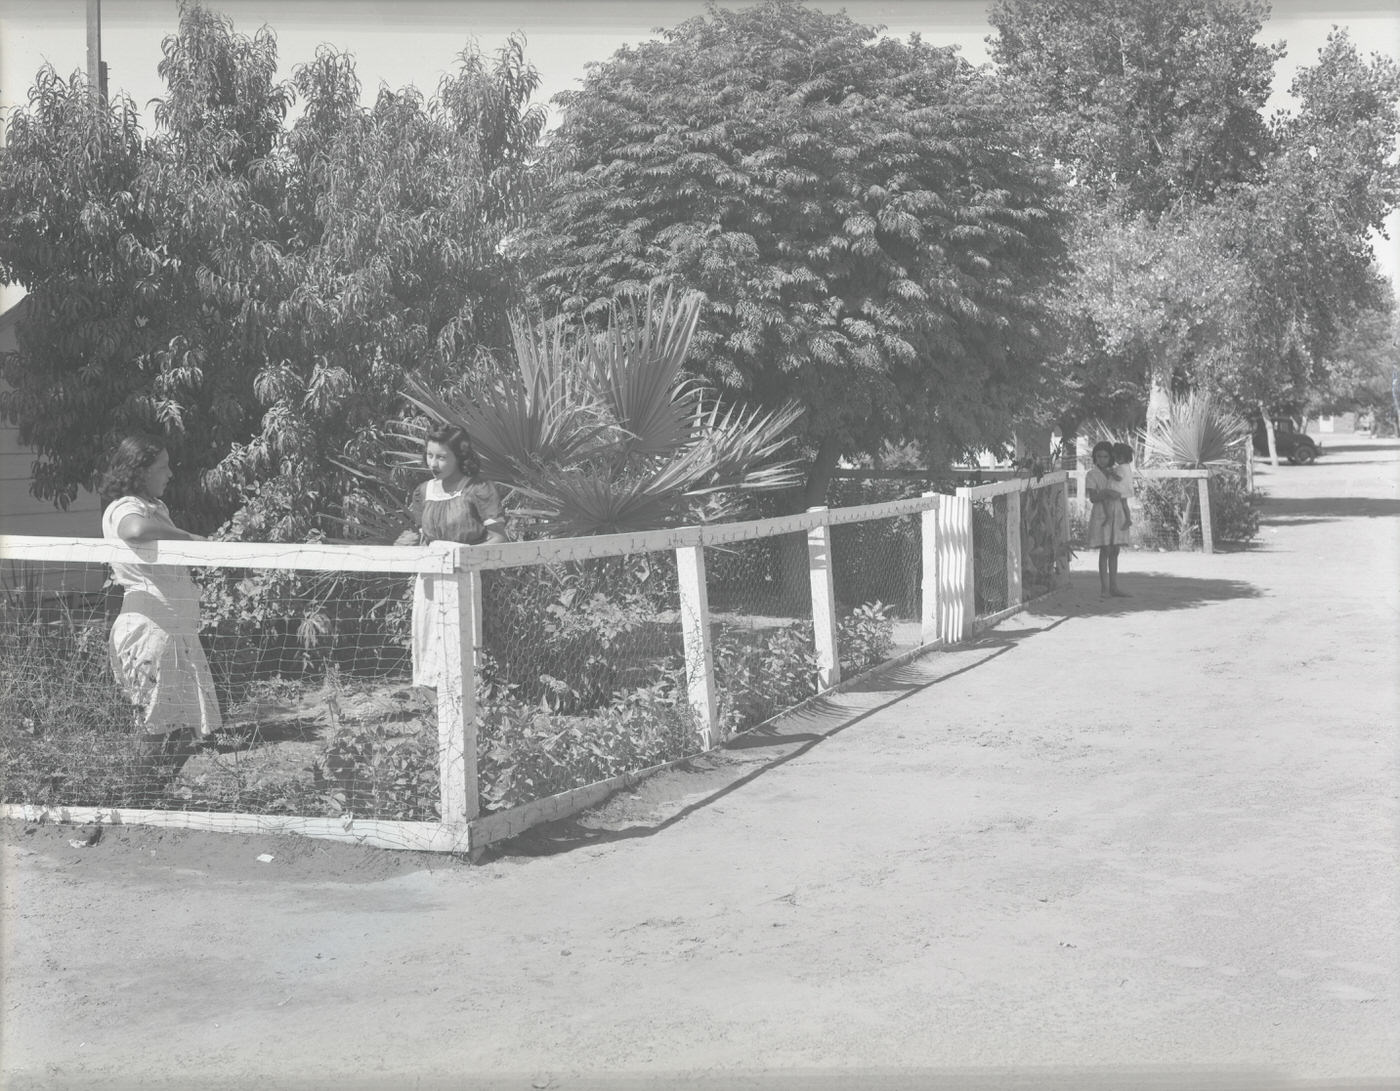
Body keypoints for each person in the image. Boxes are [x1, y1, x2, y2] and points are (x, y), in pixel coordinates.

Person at [99, 433, 222, 781]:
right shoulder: (125, 507)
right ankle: (132, 799)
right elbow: (134, 529)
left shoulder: (157, 507)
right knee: (154, 725)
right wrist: (186, 536)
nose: (169, 474)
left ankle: (156, 792)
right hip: (151, 629)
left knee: (187, 727)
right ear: (140, 471)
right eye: (162, 467)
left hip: (176, 631)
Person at [395, 426, 507, 687]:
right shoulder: (423, 492)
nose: (433, 463)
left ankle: (471, 710)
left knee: (463, 649)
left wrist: (465, 557)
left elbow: (499, 538)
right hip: (431, 580)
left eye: (442, 457)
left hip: (466, 576)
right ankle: (435, 712)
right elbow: (425, 538)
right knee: (429, 643)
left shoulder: (478, 489)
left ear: (460, 456)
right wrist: (410, 544)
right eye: (429, 455)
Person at [1085, 440, 1130, 598]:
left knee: (1115, 550)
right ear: (1095, 457)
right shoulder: (1091, 474)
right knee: (1105, 550)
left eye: (1105, 456)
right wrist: (1106, 493)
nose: (1102, 459)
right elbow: (1093, 498)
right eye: (1099, 456)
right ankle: (1104, 589)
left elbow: (1124, 489)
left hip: (1117, 511)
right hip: (1101, 513)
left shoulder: (1117, 471)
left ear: (1110, 456)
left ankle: (1114, 587)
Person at [1109, 441, 1135, 528]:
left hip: (1121, 489)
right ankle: (1127, 519)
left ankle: (1127, 520)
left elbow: (1118, 478)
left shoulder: (1121, 468)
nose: (1116, 460)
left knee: (1122, 505)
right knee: (1124, 504)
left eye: (1118, 458)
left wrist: (1111, 473)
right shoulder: (1127, 466)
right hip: (1125, 488)